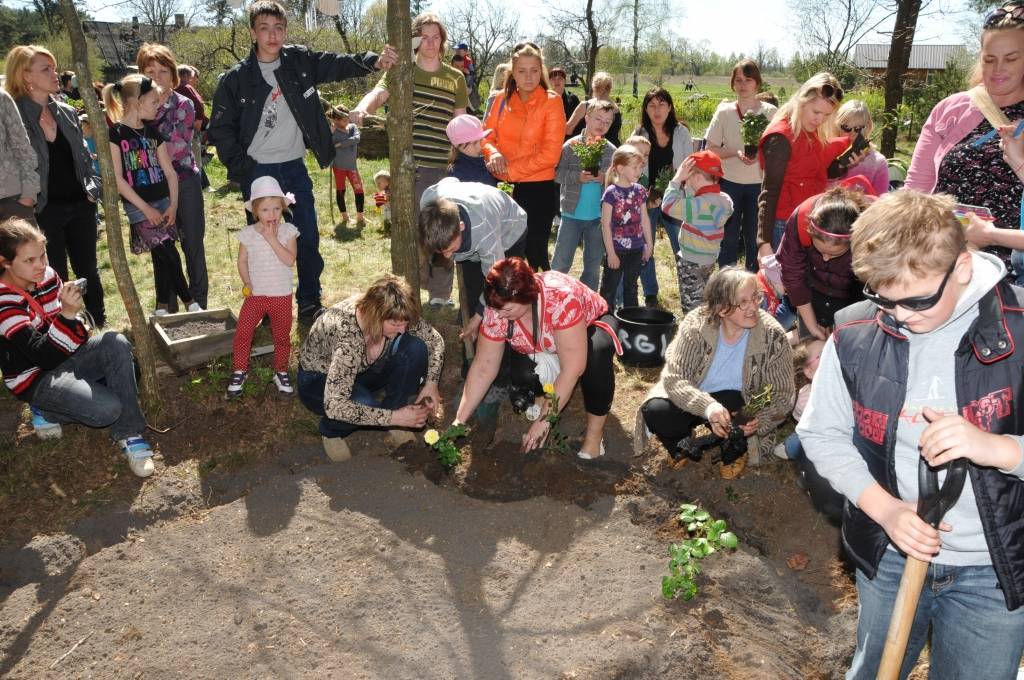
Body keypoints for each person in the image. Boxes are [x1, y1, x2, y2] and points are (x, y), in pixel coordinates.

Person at [799, 188, 1024, 679]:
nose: (900, 315)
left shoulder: (1020, 330)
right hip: (890, 555)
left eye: (917, 298)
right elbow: (822, 434)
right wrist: (886, 511)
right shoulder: (856, 334)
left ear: (961, 267)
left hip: (995, 565)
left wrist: (999, 448)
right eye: (884, 297)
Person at [209, 0, 396, 322]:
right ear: (253, 32)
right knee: (264, 241)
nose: (272, 35)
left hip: (294, 167)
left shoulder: (299, 62)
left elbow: (337, 63)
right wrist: (245, 170)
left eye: (279, 28)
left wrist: (374, 61)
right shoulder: (235, 80)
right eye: (265, 28)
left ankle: (309, 300)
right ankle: (266, 304)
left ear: (286, 31)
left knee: (307, 236)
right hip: (260, 172)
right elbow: (221, 130)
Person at [0, 219, 157, 477]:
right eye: (29, 261)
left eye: (43, 256)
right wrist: (68, 316)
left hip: (65, 354)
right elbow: (44, 356)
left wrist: (73, 319)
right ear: (5, 262)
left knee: (115, 342)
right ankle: (47, 409)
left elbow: (71, 334)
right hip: (36, 376)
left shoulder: (48, 277)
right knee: (108, 410)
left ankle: (130, 433)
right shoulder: (4, 302)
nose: (41, 266)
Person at [453, 257, 621, 459]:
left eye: (505, 309)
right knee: (523, 373)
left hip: (590, 326)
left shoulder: (560, 300)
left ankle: (594, 438)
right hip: (547, 343)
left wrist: (543, 422)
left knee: (596, 357)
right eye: (494, 308)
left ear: (525, 297)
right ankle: (545, 400)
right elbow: (483, 367)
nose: (496, 316)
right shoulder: (497, 308)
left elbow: (573, 369)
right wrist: (459, 421)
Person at [351, 12, 465, 306]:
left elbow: (460, 122)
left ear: (442, 41)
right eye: (423, 37)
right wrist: (362, 110)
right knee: (415, 232)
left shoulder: (455, 78)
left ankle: (440, 295)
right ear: (414, 41)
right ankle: (416, 286)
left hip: (443, 168)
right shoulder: (404, 71)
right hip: (410, 168)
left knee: (444, 229)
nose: (430, 42)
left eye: (435, 36)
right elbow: (378, 93)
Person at [637, 267, 794, 478]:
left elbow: (780, 391)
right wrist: (708, 407)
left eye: (756, 298)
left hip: (741, 401)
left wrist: (756, 416)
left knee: (740, 423)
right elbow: (674, 377)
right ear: (721, 309)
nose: (754, 307)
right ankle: (680, 444)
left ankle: (733, 453)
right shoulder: (696, 324)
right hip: (698, 394)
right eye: (743, 303)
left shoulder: (773, 336)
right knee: (656, 410)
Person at [905, 2, 1024, 280]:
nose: (998, 69)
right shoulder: (951, 109)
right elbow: (916, 191)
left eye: (1011, 58)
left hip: (1014, 276)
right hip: (945, 264)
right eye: (989, 59)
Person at [297, 275, 444, 462]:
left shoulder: (396, 312)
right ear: (375, 315)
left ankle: (396, 414)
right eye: (396, 325)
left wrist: (431, 383)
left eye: (405, 323)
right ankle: (331, 431)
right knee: (364, 404)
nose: (402, 330)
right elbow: (335, 405)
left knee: (415, 348)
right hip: (319, 380)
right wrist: (393, 417)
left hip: (361, 372)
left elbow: (435, 340)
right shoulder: (348, 334)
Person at [7, 45, 104, 326]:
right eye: (45, 69)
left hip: (81, 205)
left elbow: (85, 159)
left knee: (89, 269)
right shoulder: (15, 117)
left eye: (55, 68)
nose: (55, 74)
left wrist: (92, 190)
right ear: (26, 76)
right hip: (44, 209)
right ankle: (61, 327)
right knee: (53, 273)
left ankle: (99, 322)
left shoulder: (66, 112)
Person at [105, 74, 200, 316]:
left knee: (162, 255)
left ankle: (161, 307)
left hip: (164, 202)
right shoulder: (115, 134)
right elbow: (117, 178)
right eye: (154, 102)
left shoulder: (153, 132)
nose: (158, 107)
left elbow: (169, 173)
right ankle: (191, 302)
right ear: (136, 102)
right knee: (169, 252)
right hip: (139, 207)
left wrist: (173, 206)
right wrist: (145, 209)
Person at [482, 42, 566, 273]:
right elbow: (485, 137)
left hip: (538, 190)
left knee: (535, 256)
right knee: (506, 257)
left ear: (542, 72)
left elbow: (551, 154)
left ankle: (541, 305)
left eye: (534, 70)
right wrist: (494, 153)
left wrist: (510, 172)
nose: (529, 77)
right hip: (500, 187)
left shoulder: (552, 101)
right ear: (512, 73)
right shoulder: (500, 99)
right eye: (522, 71)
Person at [138, 43, 209, 312]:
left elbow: (176, 146)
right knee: (163, 250)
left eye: (163, 71)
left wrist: (144, 149)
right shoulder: (136, 108)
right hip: (152, 188)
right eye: (150, 71)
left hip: (183, 181)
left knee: (193, 245)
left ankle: (199, 303)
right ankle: (167, 306)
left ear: (173, 74)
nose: (157, 77)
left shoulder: (184, 104)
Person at [756, 72, 856, 259]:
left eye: (827, 115)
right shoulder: (780, 138)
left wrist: (843, 164)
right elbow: (769, 193)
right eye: (816, 112)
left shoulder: (811, 131)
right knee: (782, 284)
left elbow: (815, 172)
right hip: (783, 224)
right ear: (802, 101)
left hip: (808, 219)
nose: (820, 120)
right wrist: (764, 243)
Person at [419, 177, 528, 342]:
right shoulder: (429, 201)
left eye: (450, 250)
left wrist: (477, 318)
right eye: (442, 251)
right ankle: (470, 339)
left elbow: (496, 282)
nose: (448, 256)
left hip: (510, 230)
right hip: (473, 230)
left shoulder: (485, 233)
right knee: (473, 288)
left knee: (506, 295)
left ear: (461, 227)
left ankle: (506, 341)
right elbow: (451, 180)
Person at [704, 59, 777, 270]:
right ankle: (726, 283)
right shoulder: (724, 112)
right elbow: (711, 148)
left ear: (757, 83)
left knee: (756, 236)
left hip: (759, 185)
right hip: (729, 183)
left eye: (748, 80)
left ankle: (753, 284)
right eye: (738, 80)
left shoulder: (771, 113)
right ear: (732, 84)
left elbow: (779, 148)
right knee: (728, 236)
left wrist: (760, 154)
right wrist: (735, 153)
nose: (743, 85)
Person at [229, 177, 298, 397]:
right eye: (266, 209)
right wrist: (247, 281)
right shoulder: (248, 234)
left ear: (283, 209)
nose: (272, 214)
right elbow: (241, 261)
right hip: (256, 295)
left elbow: (289, 261)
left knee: (281, 336)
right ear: (255, 211)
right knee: (243, 332)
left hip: (281, 296)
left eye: (277, 208)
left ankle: (280, 370)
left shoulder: (288, 232)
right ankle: (240, 369)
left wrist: (272, 238)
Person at [776, 183, 870, 340]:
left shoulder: (869, 236)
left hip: (853, 298)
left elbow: (874, 286)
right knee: (810, 345)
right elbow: (793, 275)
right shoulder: (800, 221)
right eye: (820, 251)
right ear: (810, 232)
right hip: (811, 293)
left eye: (834, 254)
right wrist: (812, 326)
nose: (825, 258)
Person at [632, 87, 693, 307]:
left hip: (675, 198)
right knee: (646, 246)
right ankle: (650, 293)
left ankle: (689, 292)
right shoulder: (639, 134)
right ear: (646, 109)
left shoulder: (681, 132)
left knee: (682, 248)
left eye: (661, 105)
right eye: (651, 105)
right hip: (646, 199)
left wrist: (674, 191)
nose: (657, 110)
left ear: (670, 107)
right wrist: (647, 196)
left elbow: (689, 165)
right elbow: (631, 167)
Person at [551, 100, 617, 290]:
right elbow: (557, 174)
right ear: (586, 118)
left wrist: (605, 178)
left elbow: (616, 182)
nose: (601, 125)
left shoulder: (611, 151)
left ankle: (588, 303)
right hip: (571, 214)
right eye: (598, 119)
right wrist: (576, 177)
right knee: (561, 263)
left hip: (598, 218)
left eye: (607, 122)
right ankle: (554, 296)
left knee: (593, 266)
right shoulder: (570, 147)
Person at [661, 150, 734, 313]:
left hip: (690, 261)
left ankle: (694, 333)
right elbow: (700, 196)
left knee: (691, 306)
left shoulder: (697, 206)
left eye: (688, 177)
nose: (685, 181)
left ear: (697, 178)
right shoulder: (724, 201)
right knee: (703, 298)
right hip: (709, 258)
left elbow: (667, 206)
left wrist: (676, 180)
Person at [598, 144, 653, 311]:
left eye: (640, 167)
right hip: (617, 250)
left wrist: (649, 244)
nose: (639, 171)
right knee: (609, 289)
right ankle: (604, 321)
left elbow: (644, 219)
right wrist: (611, 254)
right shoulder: (611, 193)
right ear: (620, 168)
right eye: (634, 167)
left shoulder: (640, 191)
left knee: (632, 287)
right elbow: (605, 225)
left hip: (636, 249)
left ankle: (630, 323)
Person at [832, 99, 889, 196]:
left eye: (858, 128)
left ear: (868, 127)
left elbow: (880, 202)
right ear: (836, 126)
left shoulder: (878, 162)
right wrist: (839, 167)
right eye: (846, 128)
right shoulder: (827, 154)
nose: (852, 133)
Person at [0, 87, 39, 224]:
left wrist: (28, 195)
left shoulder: (1, 97)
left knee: (28, 246)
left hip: (12, 202)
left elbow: (22, 147)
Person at [565, 71, 622, 146]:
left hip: (586, 150)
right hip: (612, 150)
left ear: (593, 87)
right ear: (610, 88)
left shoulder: (584, 106)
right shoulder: (616, 109)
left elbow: (568, 130)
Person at [329, 105, 364, 222]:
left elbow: (356, 139)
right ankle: (345, 217)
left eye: (347, 118)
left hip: (352, 166)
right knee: (340, 190)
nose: (347, 121)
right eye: (344, 120)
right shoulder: (333, 131)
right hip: (338, 166)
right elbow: (327, 145)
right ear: (336, 120)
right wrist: (331, 133)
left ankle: (360, 216)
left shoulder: (353, 127)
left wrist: (340, 144)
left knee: (359, 190)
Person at [445, 114, 497, 186]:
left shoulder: (479, 161)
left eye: (481, 140)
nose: (480, 146)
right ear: (460, 145)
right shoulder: (457, 173)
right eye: (475, 143)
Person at [548, 66, 580, 136]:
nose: (557, 81)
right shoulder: (544, 99)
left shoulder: (573, 99)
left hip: (569, 138)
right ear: (549, 81)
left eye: (560, 78)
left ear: (565, 80)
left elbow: (579, 124)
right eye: (553, 78)